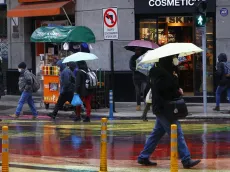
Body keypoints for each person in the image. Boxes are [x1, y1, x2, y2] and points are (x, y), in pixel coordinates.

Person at [137, 57, 201, 169]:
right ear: (167, 62)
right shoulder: (163, 76)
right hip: (165, 108)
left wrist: (174, 79)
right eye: (172, 61)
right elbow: (167, 93)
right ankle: (186, 159)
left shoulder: (157, 73)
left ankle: (143, 157)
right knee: (177, 132)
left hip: (160, 107)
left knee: (156, 133)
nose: (173, 63)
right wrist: (177, 89)